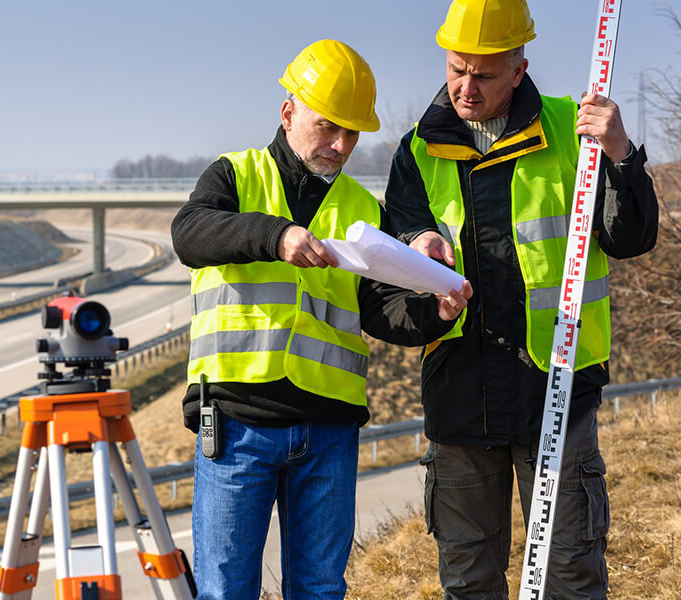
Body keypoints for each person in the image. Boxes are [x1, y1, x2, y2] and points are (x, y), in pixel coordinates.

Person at [171, 40, 469, 599]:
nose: (340, 145)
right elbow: (189, 233)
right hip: (238, 424)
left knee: (319, 589)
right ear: (288, 112)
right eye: (329, 127)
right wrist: (275, 236)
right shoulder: (235, 175)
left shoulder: (362, 207)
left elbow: (381, 310)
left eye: (352, 133)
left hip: (328, 430)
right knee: (225, 591)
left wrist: (434, 312)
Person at [383, 1, 659, 598]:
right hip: (459, 399)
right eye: (457, 69)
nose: (466, 86)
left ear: (519, 68)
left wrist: (621, 156)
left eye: (483, 74)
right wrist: (415, 244)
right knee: (468, 580)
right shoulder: (416, 151)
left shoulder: (573, 130)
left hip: (556, 390)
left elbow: (631, 238)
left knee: (570, 575)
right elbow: (396, 261)